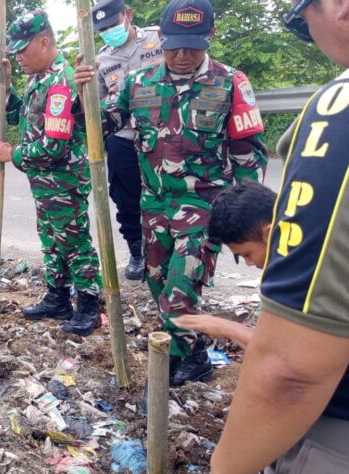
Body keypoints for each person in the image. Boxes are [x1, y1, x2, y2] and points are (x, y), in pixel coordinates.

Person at [74, 0, 268, 385]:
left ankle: (165, 373)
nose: (182, 55)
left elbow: (248, 155)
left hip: (205, 208)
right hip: (154, 206)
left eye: (192, 46)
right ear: (161, 37)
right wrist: (85, 94)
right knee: (159, 284)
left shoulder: (230, 82)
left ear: (210, 36)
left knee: (180, 291)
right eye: (175, 45)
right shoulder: (137, 83)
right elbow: (101, 127)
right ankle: (197, 357)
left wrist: (246, 220)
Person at [211, 1, 349, 472]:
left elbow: (292, 371)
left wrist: (225, 467)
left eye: (302, 18)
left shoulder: (342, 110)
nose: (309, 33)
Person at [0, 9, 103, 336]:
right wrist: (5, 86)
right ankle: (58, 297)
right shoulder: (38, 78)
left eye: (22, 50)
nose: (18, 57)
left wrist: (12, 154)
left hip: (63, 181)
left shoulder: (61, 82)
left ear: (44, 42)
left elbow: (53, 147)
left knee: (74, 243)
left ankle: (89, 306)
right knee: (52, 241)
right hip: (44, 183)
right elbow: (19, 118)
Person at [93, 0, 164, 280]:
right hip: (122, 136)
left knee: (164, 192)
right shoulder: (100, 61)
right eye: (103, 29)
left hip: (161, 131)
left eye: (113, 24)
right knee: (125, 197)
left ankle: (169, 253)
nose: (108, 32)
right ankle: (137, 251)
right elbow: (99, 106)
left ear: (128, 15)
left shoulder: (159, 38)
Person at [172, 179, 278, 349]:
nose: (248, 263)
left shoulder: (301, 274)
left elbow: (278, 350)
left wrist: (226, 328)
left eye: (247, 254)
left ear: (269, 233)